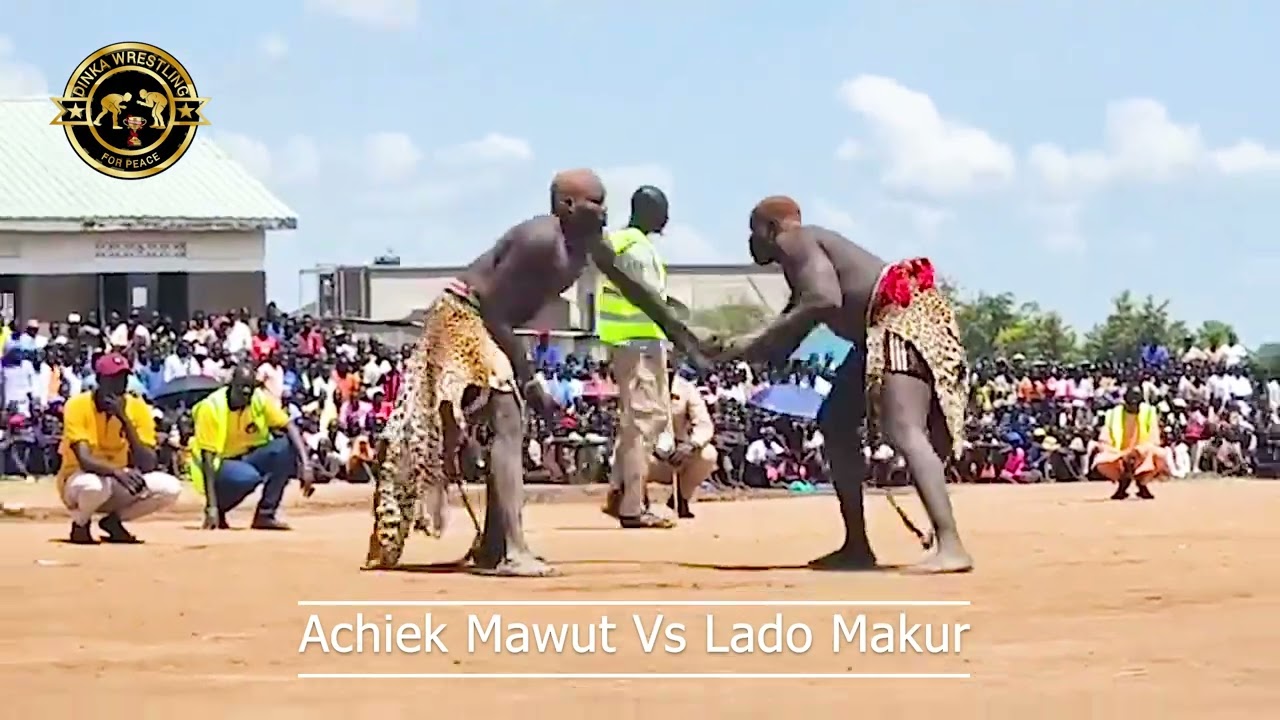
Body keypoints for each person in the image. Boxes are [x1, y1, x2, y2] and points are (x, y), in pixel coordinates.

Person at [364, 169, 706, 577]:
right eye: (595, 202)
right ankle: (510, 550)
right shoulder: (540, 240)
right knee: (509, 418)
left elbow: (635, 289)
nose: (604, 211)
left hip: (488, 322)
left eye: (605, 202)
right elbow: (494, 309)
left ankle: (494, 546)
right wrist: (528, 379)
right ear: (567, 206)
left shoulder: (591, 244)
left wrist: (684, 337)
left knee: (508, 422)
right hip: (463, 316)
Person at [704, 196, 973, 573]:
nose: (751, 243)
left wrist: (750, 340)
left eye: (754, 232)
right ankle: (857, 546)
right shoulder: (801, 260)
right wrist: (733, 349)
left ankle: (951, 546)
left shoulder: (795, 240)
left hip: (899, 319)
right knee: (835, 421)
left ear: (770, 228)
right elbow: (789, 332)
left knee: (903, 428)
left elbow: (823, 299)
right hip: (875, 334)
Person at [600, 186, 677, 529]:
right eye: (662, 211)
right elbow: (652, 301)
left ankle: (620, 491)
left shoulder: (620, 243)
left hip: (628, 342)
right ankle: (632, 506)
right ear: (649, 212)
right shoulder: (637, 250)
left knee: (636, 420)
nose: (666, 218)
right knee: (642, 423)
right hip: (640, 343)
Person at [57, 353, 182, 544]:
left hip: (116, 481)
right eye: (113, 379)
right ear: (99, 380)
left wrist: (124, 419)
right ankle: (80, 524)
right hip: (78, 480)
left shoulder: (137, 407)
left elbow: (148, 463)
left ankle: (113, 522)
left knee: (169, 488)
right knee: (94, 485)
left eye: (123, 379)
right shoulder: (77, 405)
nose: (119, 386)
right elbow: (84, 459)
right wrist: (118, 472)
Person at [189, 365, 314, 530]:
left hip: (247, 457)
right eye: (242, 387)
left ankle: (265, 515)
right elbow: (208, 459)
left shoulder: (258, 399)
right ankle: (219, 510)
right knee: (248, 476)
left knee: (285, 447)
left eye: (250, 387)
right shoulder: (212, 407)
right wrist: (211, 507)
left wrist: (306, 465)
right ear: (231, 385)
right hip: (217, 464)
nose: (247, 391)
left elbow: (288, 425)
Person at [651, 361, 718, 519]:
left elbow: (704, 424)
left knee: (708, 454)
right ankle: (638, 503)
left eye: (669, 368)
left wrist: (692, 444)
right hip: (650, 456)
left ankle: (681, 498)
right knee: (630, 456)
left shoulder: (687, 389)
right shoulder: (640, 388)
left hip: (678, 455)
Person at [1093, 386, 1168, 499]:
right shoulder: (1114, 414)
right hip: (1119, 454)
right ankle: (1123, 482)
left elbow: (1154, 439)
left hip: (1142, 452)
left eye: (1137, 404)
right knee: (1101, 460)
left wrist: (1137, 451)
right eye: (1131, 403)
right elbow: (1104, 440)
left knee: (1160, 455)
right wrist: (1121, 453)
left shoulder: (1149, 412)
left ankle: (1142, 483)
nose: (1134, 406)